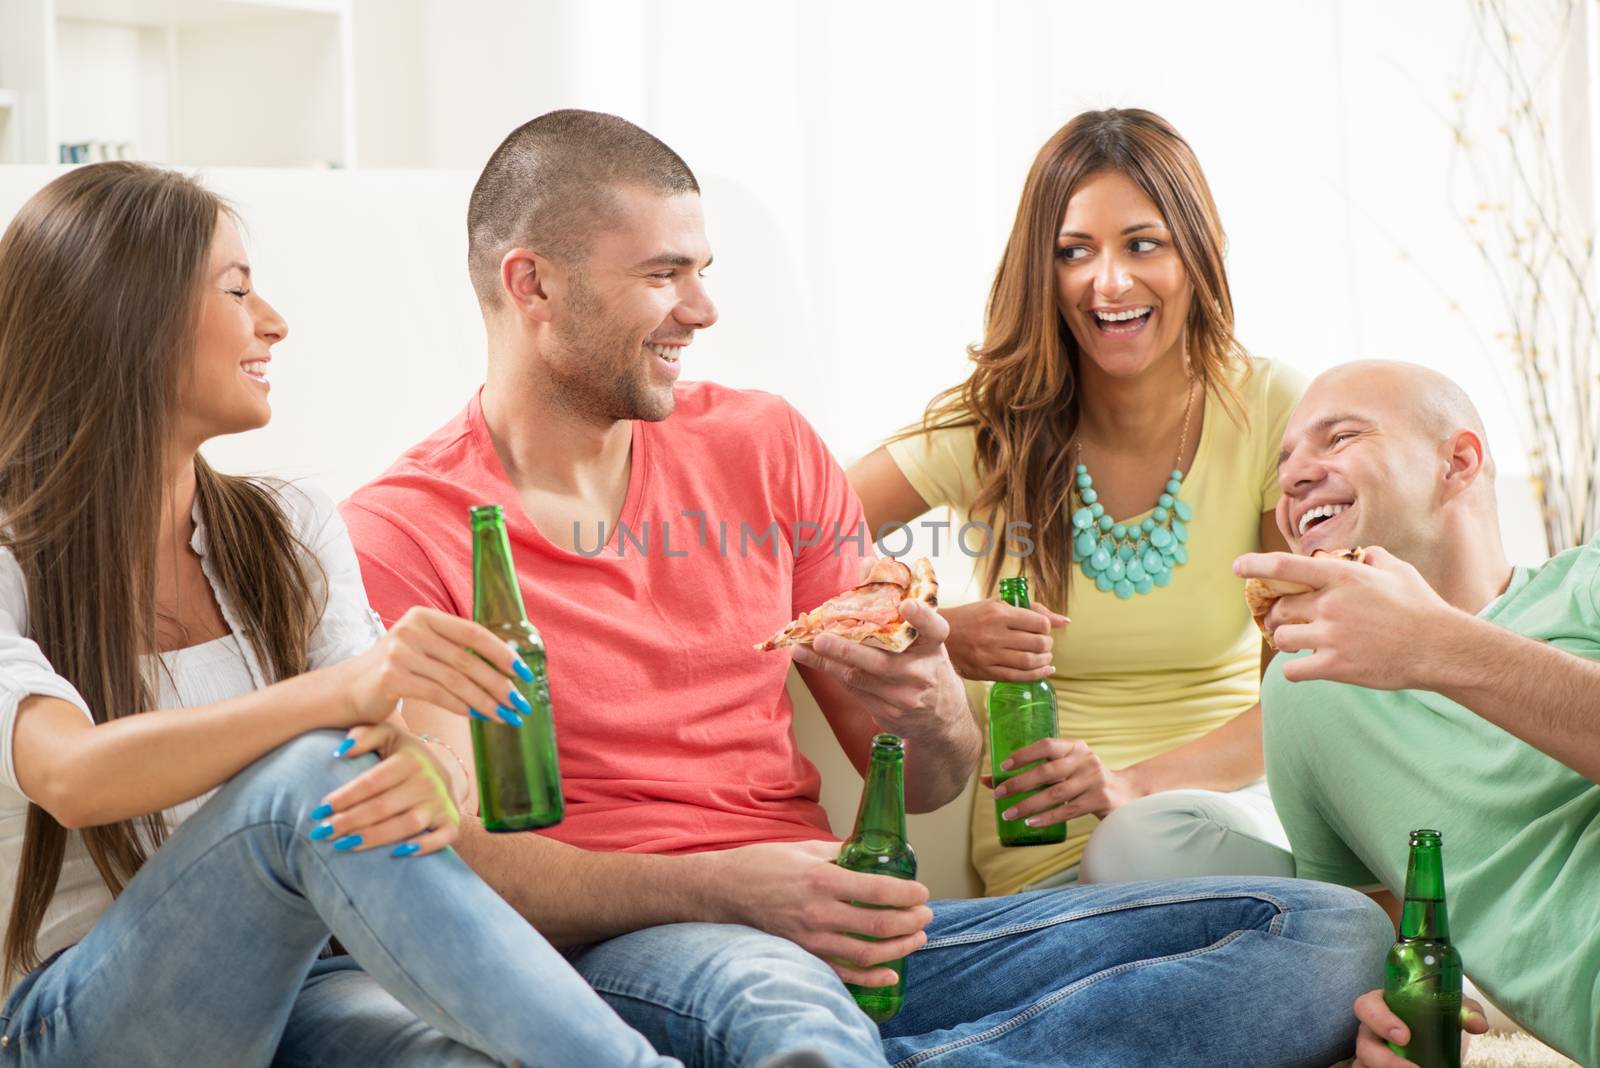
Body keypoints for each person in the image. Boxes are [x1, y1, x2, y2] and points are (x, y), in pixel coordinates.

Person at [343, 108, 1393, 1068]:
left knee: (1324, 935)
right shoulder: (405, 531)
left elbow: (933, 777)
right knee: (785, 1007)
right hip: (650, 941)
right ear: (533, 285)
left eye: (702, 269)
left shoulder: (762, 444)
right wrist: (725, 884)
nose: (704, 309)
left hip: (846, 915)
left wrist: (929, 689)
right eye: (666, 275)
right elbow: (450, 867)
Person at [0, 162, 680, 1066]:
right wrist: (343, 694)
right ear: (125, 320)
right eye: (236, 290)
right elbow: (72, 776)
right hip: (75, 1012)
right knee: (312, 768)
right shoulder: (14, 558)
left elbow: (399, 742)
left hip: (305, 979)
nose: (273, 321)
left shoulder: (286, 528)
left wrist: (437, 767)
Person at [849, 108, 1303, 895]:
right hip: (1056, 857)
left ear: (1195, 252)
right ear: (1042, 271)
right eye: (1074, 252)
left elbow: (1303, 689)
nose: (1110, 281)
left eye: (1142, 243)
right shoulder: (992, 429)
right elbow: (781, 538)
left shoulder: (1268, 407)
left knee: (1164, 849)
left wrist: (1136, 786)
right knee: (1145, 865)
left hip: (1233, 817)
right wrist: (938, 636)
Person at [1236, 360, 1600, 1066]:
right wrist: (1381, 1015)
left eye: (1338, 438)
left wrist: (1436, 644)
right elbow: (1371, 928)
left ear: (1458, 463)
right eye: (1285, 463)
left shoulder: (1586, 585)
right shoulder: (1306, 690)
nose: (1293, 479)